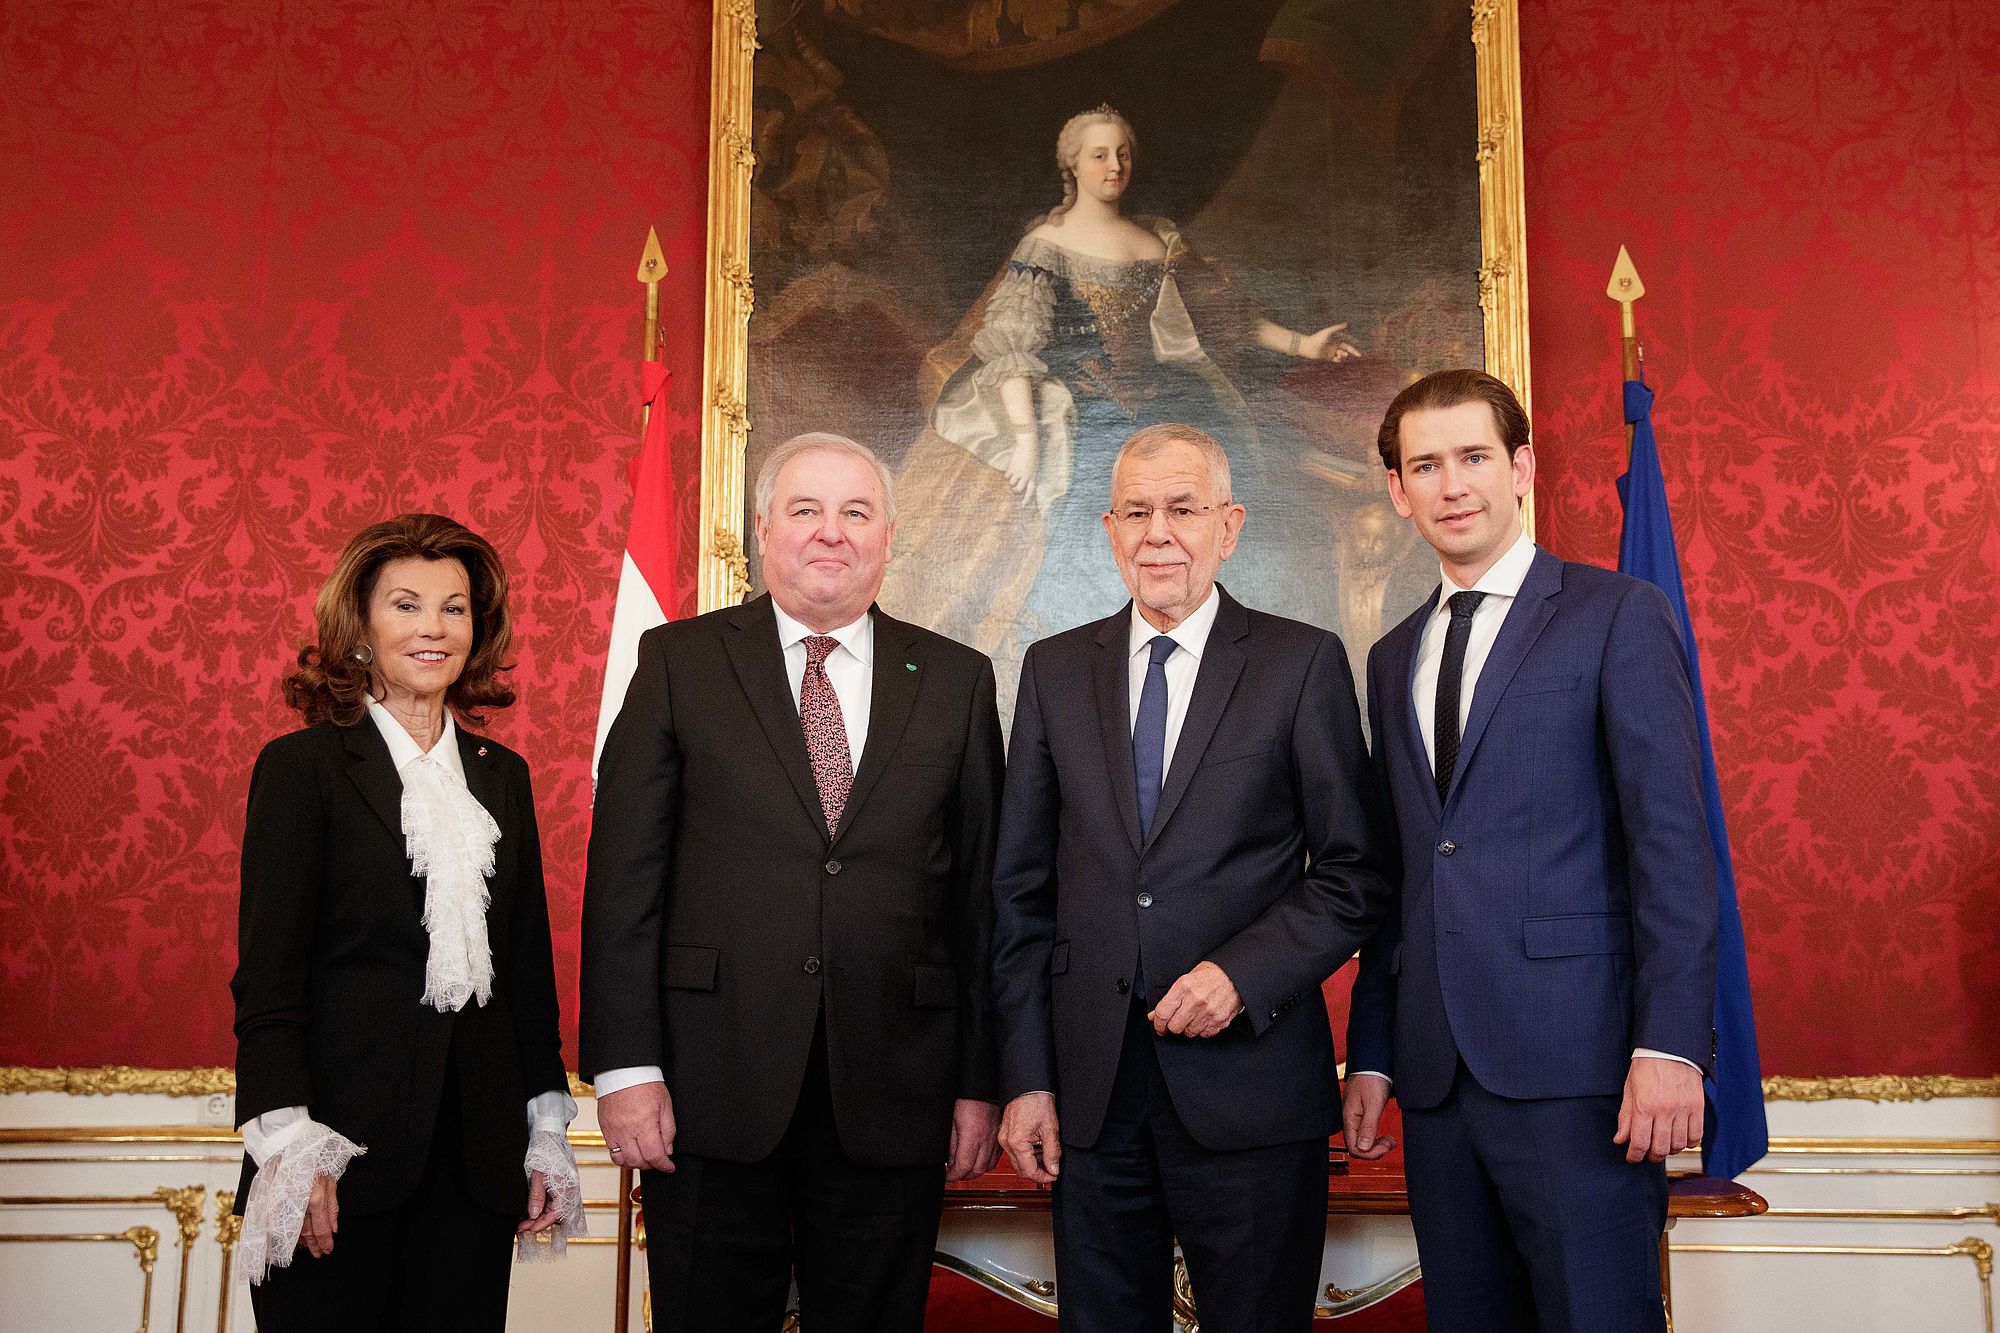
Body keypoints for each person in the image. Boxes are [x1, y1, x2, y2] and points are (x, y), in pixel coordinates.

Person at [581, 432, 1005, 1333]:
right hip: (706, 1085)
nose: (830, 531)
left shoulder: (958, 680)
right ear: (763, 528)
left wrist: (979, 1082)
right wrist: (625, 1068)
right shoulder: (678, 662)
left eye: (856, 511)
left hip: (896, 1089)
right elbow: (624, 883)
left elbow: (979, 901)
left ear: (889, 535)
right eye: (806, 509)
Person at [990, 423, 1392, 1333]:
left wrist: (1241, 975)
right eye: (1136, 512)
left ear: (1230, 525)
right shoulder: (1055, 670)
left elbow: (1355, 873)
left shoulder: (1300, 662)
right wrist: (1027, 1077)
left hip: (1252, 1088)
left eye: (1182, 508)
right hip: (1091, 1100)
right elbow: (1019, 894)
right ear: (1108, 530)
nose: (1158, 533)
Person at [1342, 370, 1718, 1332]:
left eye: (1473, 457)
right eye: (1426, 465)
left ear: (1521, 468)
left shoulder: (1615, 613)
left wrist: (1671, 1043)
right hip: (1436, 1081)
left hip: (1583, 1068)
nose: (1452, 484)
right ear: (1398, 491)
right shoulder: (1392, 656)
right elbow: (1400, 874)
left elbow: (1673, 849)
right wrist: (1372, 1054)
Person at [231, 513, 582, 1332]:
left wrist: (545, 1130)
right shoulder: (302, 767)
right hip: (334, 1162)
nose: (433, 628)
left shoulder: (504, 776)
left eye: (453, 608)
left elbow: (526, 974)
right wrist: (292, 1147)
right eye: (406, 605)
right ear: (360, 627)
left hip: (475, 1171)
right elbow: (269, 978)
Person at [885, 104, 1359, 658]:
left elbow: (1223, 319)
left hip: (1168, 403)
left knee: (1218, 496)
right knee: (1090, 519)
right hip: (1079, 410)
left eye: (1123, 154)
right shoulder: (1047, 245)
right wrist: (1026, 440)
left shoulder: (1158, 240)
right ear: (1073, 165)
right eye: (1099, 155)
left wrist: (1304, 345)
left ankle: (1217, 653)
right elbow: (1013, 347)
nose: (1114, 166)